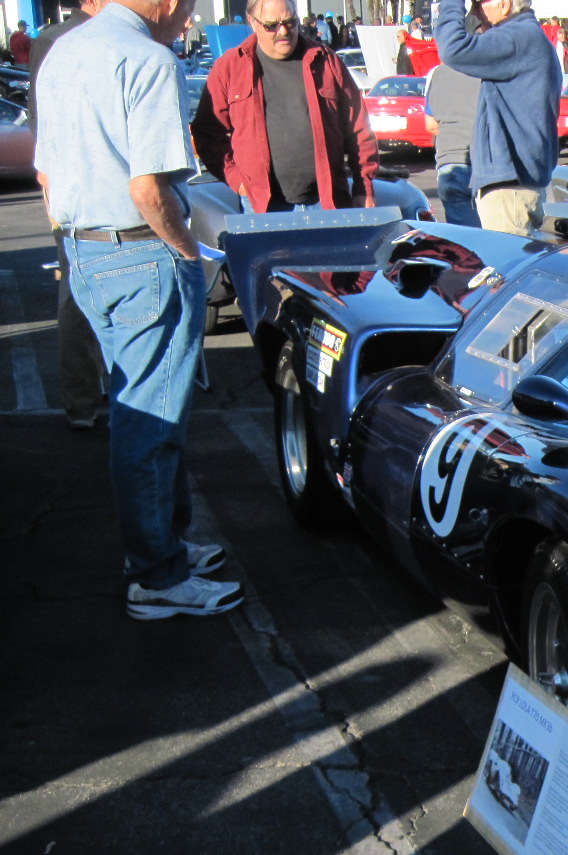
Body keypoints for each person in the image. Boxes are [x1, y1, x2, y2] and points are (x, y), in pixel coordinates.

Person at [35, 0, 242, 619]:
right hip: (139, 249)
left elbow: (46, 173)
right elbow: (149, 189)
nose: (188, 17)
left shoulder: (63, 51)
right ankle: (156, 572)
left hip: (86, 248)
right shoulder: (148, 60)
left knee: (140, 407)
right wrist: (187, 254)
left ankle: (164, 546)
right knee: (149, 418)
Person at [192, 0, 377, 216]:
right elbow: (207, 133)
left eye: (290, 22)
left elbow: (359, 129)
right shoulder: (230, 68)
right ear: (252, 22)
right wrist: (238, 180)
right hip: (262, 206)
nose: (283, 31)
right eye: (272, 25)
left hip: (327, 201)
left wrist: (363, 187)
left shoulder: (326, 62)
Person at [29, 0, 108, 431]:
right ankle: (84, 400)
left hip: (95, 185)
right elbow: (43, 121)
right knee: (78, 291)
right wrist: (51, 186)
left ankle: (92, 399)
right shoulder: (57, 39)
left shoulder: (118, 34)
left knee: (88, 288)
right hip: (74, 186)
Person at [434, 0, 559, 236]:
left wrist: (451, 3)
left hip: (509, 188)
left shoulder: (517, 37)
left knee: (503, 268)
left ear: (504, 4)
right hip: (513, 184)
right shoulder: (527, 37)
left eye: (478, 4)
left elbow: (453, 47)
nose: (474, 13)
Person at [424, 62, 482, 226]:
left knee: (464, 240)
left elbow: (431, 125)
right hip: (486, 164)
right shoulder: (489, 69)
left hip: (449, 163)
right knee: (495, 238)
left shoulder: (437, 74)